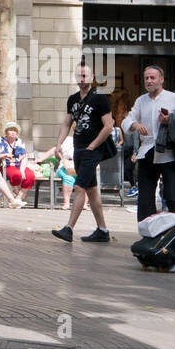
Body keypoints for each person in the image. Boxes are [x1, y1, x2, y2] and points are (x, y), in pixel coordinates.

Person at [51, 64, 115, 243]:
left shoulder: (99, 98)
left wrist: (93, 146)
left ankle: (68, 228)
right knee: (91, 190)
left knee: (79, 187)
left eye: (85, 75)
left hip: (91, 151)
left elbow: (108, 126)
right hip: (79, 149)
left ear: (92, 76)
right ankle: (102, 230)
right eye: (79, 75)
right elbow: (66, 123)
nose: (82, 79)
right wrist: (59, 144)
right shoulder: (72, 99)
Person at [120, 64, 175, 223]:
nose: (149, 81)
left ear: (161, 80)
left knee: (172, 196)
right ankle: (148, 234)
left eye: (152, 78)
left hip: (170, 154)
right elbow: (127, 120)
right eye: (146, 78)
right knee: (144, 198)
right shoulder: (141, 100)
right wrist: (135, 125)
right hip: (147, 152)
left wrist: (170, 120)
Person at [0, 123, 34, 203]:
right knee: (16, 174)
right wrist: (4, 155)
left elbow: (24, 156)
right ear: (6, 132)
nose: (13, 132)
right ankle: (16, 191)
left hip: (18, 166)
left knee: (30, 175)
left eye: (15, 131)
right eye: (11, 130)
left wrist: (22, 170)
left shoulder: (19, 142)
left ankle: (19, 197)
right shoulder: (0, 141)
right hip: (5, 165)